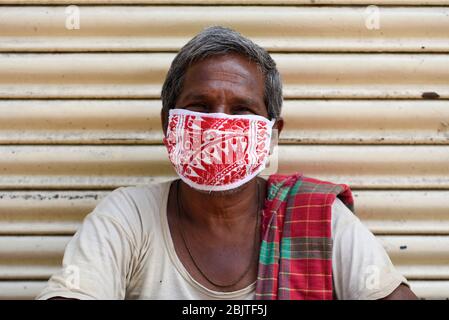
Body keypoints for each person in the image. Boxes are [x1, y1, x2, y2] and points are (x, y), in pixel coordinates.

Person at [37, 26, 417, 300]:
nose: (218, 123)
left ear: (271, 134)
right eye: (200, 106)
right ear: (169, 125)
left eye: (241, 109)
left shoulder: (319, 220)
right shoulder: (129, 217)